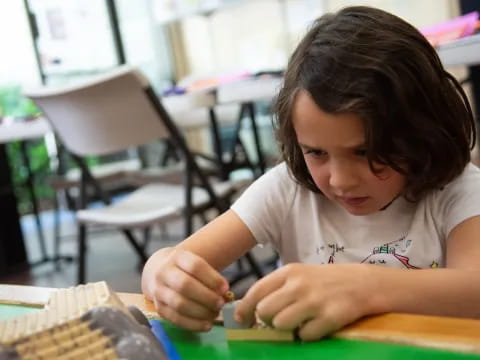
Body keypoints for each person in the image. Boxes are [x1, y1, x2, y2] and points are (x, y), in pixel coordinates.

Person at [141, 6, 480, 341]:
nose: (340, 180)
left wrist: (365, 287)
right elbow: (173, 262)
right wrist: (164, 273)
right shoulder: (287, 188)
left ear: (421, 130)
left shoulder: (458, 190)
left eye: (364, 151)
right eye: (316, 152)